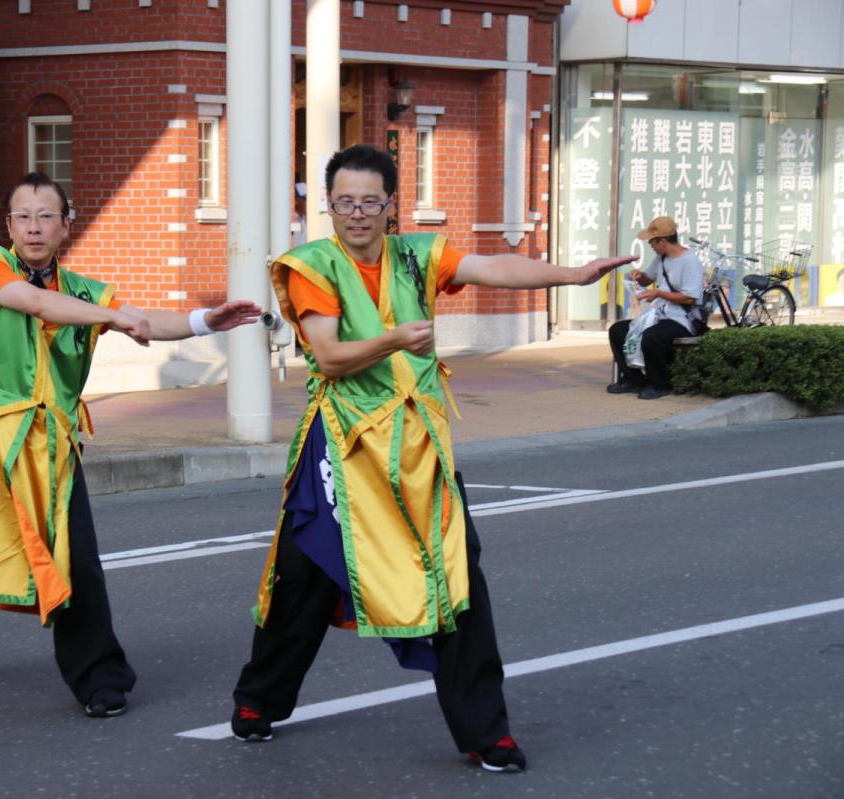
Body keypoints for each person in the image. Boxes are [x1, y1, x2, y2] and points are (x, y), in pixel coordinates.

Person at [228, 144, 633, 772]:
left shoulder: (417, 255)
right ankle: (260, 698)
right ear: (326, 206)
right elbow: (330, 358)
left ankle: (485, 730)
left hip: (416, 446)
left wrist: (572, 276)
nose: (356, 213)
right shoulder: (312, 265)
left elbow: (493, 266)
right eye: (343, 202)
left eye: (370, 201)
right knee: (303, 577)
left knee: (455, 574)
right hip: (342, 442)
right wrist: (393, 339)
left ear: (392, 205)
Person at [0, 172, 261, 718]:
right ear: (8, 225)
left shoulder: (84, 292)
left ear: (66, 225)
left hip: (48, 446)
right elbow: (37, 305)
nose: (33, 227)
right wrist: (115, 318)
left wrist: (203, 321)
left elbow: (142, 320)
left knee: (77, 560)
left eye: (46, 216)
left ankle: (100, 679)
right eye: (22, 216)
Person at [606, 216, 704, 400]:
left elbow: (690, 298)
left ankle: (659, 384)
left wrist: (658, 294)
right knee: (617, 331)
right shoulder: (661, 258)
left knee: (652, 337)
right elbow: (647, 278)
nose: (650, 244)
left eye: (651, 241)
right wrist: (638, 276)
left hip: (681, 320)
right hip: (658, 316)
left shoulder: (690, 262)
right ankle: (634, 380)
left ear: (663, 241)